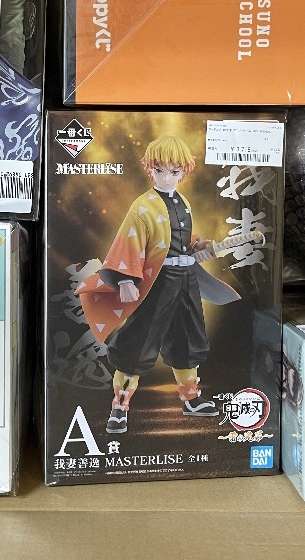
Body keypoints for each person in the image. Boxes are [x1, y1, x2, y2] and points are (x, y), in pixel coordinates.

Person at [75, 135, 240, 434]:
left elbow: (183, 241)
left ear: (184, 171)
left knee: (188, 337)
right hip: (158, 281)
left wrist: (199, 247)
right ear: (149, 168)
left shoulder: (183, 202)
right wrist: (125, 279)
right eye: (159, 170)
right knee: (139, 340)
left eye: (174, 171)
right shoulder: (143, 206)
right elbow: (128, 243)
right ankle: (120, 407)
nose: (166, 177)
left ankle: (191, 398)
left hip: (186, 279)